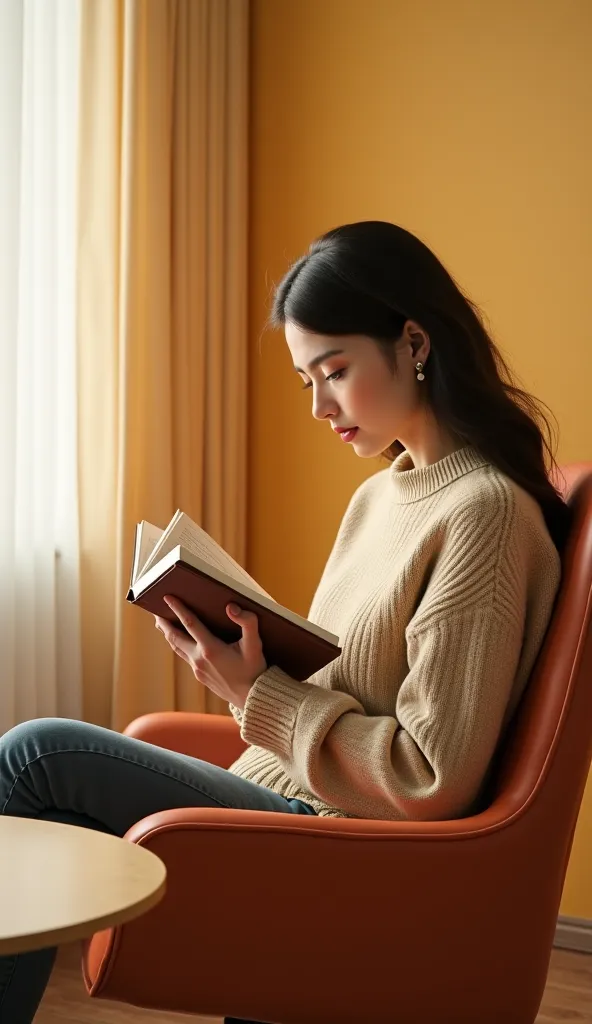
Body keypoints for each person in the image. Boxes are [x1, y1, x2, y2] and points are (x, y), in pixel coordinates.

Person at [0, 221, 568, 1023]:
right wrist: (246, 670)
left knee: (36, 754)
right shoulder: (382, 493)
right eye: (306, 379)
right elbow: (348, 688)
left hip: (337, 838)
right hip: (283, 796)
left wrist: (258, 692)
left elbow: (429, 781)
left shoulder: (484, 515)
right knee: (45, 799)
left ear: (413, 342)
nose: (317, 405)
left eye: (333, 371)